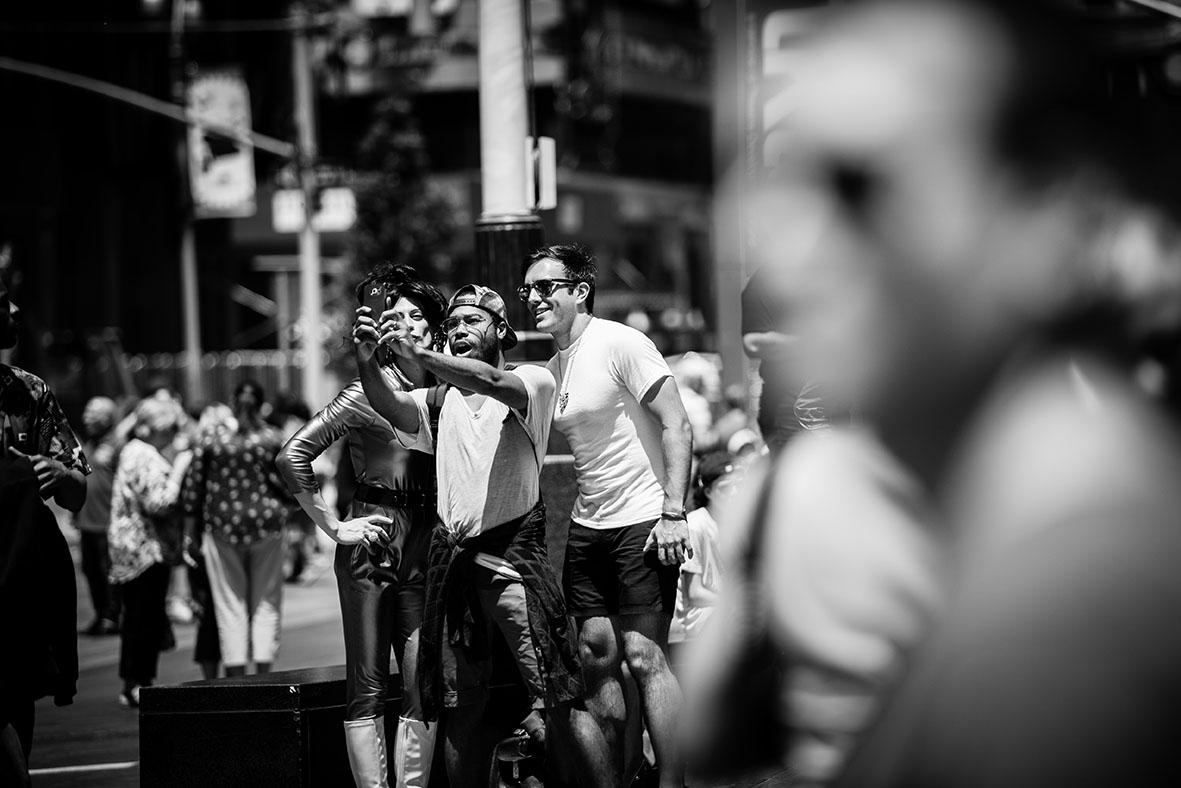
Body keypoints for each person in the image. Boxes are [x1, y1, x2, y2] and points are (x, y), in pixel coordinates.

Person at [740, 1, 1181, 785]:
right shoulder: (1042, 565)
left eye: (855, 186)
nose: (781, 247)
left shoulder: (1063, 634)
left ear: (1050, 211)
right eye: (773, 184)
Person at [353, 284, 588, 786]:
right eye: (453, 323)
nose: (459, 329)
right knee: (459, 705)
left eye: (472, 321)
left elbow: (490, 380)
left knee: (556, 695)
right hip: (455, 573)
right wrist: (367, 358)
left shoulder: (532, 380)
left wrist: (419, 354)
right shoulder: (440, 400)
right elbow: (390, 405)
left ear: (502, 330)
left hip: (512, 568)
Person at [520, 244, 694, 788]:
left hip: (644, 517)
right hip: (588, 525)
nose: (534, 298)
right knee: (596, 657)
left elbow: (678, 424)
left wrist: (673, 511)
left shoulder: (620, 342)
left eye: (546, 287)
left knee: (644, 656)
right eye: (527, 289)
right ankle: (623, 773)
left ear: (580, 290)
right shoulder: (554, 367)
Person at [276, 266, 448, 788]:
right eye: (396, 316)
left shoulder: (448, 392)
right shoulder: (363, 393)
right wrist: (333, 526)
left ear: (435, 326)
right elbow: (292, 455)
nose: (406, 324)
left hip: (427, 542)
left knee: (422, 685)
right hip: (373, 541)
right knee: (368, 685)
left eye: (417, 315)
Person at [0, 277, 89, 787]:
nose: (14, 309)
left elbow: (77, 492)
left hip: (18, 591)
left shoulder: (28, 391)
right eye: (1, 302)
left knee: (16, 711)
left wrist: (60, 474)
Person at [182, 380, 291, 677]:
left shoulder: (212, 438)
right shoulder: (272, 438)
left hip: (222, 527)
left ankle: (237, 679)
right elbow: (291, 480)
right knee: (266, 602)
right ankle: (264, 674)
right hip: (267, 526)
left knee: (230, 605)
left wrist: (189, 532)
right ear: (262, 405)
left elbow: (193, 486)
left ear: (232, 402)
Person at [108, 396, 193, 708]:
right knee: (142, 618)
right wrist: (179, 470)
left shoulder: (135, 451)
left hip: (135, 548)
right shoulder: (142, 454)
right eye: (167, 429)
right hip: (144, 550)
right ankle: (137, 682)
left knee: (141, 617)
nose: (171, 435)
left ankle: (137, 681)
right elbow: (159, 502)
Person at [184, 403, 236, 680]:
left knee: (209, 613)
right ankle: (232, 676)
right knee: (227, 610)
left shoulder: (197, 454)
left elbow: (189, 501)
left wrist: (189, 537)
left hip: (207, 540)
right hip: (224, 542)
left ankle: (214, 679)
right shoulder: (234, 453)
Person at [668, 452, 737, 647]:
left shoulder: (736, 523)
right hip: (700, 616)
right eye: (726, 487)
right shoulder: (697, 525)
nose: (734, 492)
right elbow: (695, 593)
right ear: (708, 492)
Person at [76, 396, 123, 636]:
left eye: (93, 414)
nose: (87, 418)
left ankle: (112, 615)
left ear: (107, 418)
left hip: (108, 521)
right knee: (91, 570)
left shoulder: (118, 444)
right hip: (87, 521)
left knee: (109, 571)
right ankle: (100, 612)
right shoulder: (88, 444)